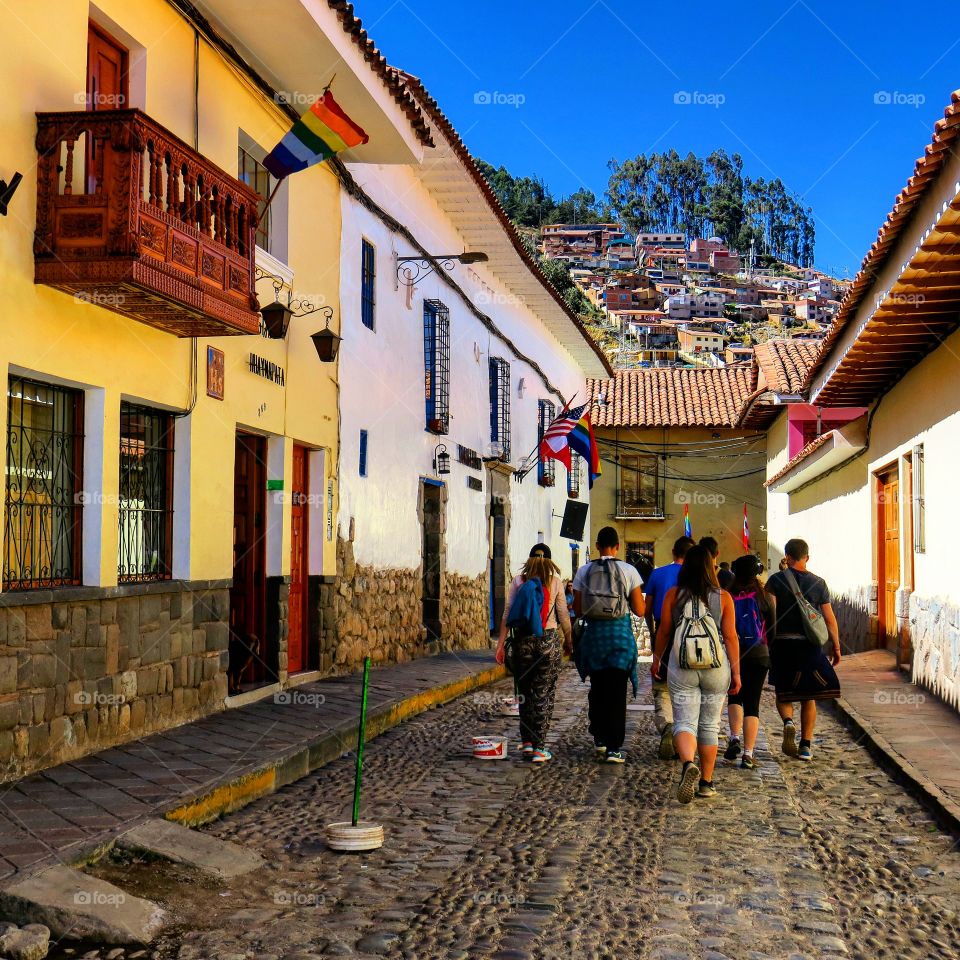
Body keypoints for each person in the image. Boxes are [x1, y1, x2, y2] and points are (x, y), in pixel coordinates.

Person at [653, 545, 741, 802]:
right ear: (711, 567)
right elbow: (731, 637)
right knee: (710, 725)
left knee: (684, 722)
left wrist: (657, 660)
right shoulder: (723, 597)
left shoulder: (673, 595)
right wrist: (736, 672)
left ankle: (688, 764)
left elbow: (664, 632)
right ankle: (706, 782)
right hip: (715, 667)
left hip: (682, 667)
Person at [764, 538, 842, 762]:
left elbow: (770, 613)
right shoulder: (819, 583)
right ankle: (806, 746)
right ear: (807, 557)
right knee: (809, 697)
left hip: (784, 644)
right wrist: (836, 646)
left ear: (787, 556)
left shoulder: (775, 581)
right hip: (809, 646)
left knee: (783, 691)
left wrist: (770, 642)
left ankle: (788, 722)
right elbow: (829, 619)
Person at [572, 527, 644, 763]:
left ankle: (600, 738)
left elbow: (579, 609)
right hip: (619, 639)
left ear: (597, 545)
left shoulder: (584, 571)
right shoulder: (629, 570)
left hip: (594, 639)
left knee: (599, 688)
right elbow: (639, 610)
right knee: (616, 691)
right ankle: (614, 747)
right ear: (617, 546)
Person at [496, 544, 572, 763]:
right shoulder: (556, 583)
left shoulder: (519, 582)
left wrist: (500, 645)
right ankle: (539, 747)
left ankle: (527, 742)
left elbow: (507, 614)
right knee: (543, 694)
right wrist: (569, 641)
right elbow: (564, 616)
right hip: (547, 642)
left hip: (522, 643)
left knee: (525, 693)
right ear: (549, 561)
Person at [643, 536, 695, 758]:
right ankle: (685, 734)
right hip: (693, 637)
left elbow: (647, 609)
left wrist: (652, 630)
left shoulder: (657, 574)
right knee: (689, 688)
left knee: (662, 686)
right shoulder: (698, 577)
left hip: (664, 633)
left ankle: (666, 726)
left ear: (673, 551)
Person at [724, 555, 775, 769]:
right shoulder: (766, 597)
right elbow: (772, 630)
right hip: (759, 654)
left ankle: (734, 737)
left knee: (735, 696)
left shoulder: (727, 595)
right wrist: (767, 650)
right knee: (753, 704)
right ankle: (748, 753)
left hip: (734, 653)